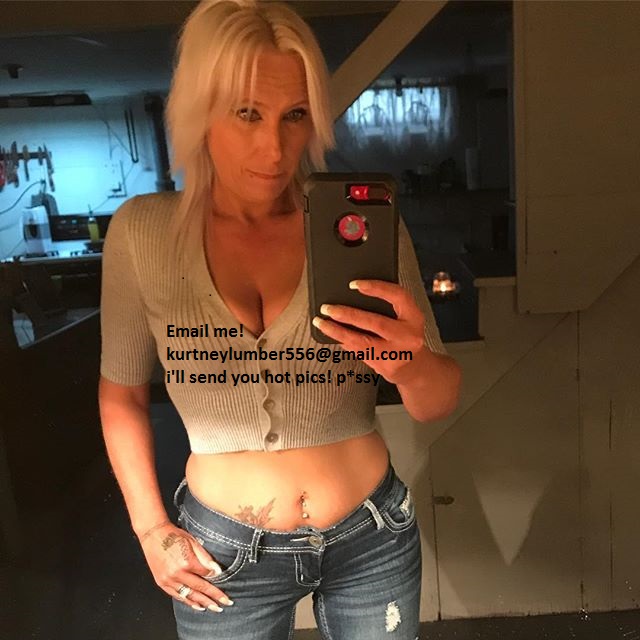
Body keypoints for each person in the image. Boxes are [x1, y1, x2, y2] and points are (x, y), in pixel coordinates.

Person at [98, 1, 462, 638]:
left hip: (372, 536)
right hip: (221, 555)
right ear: (199, 109)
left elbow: (435, 402)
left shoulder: (358, 227)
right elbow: (121, 394)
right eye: (248, 113)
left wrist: (410, 365)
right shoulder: (142, 234)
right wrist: (151, 528)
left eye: (294, 115)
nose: (274, 148)